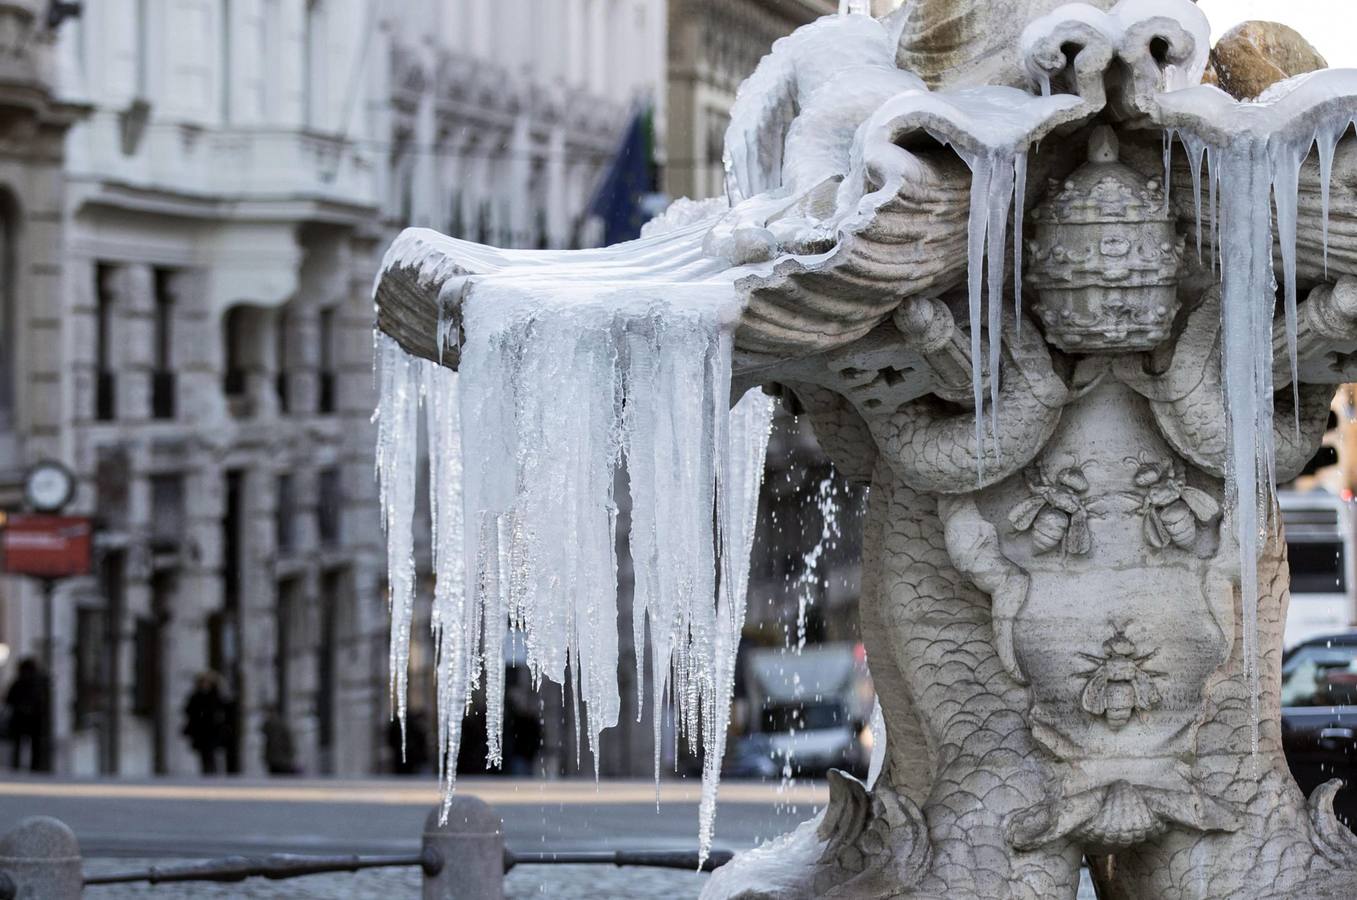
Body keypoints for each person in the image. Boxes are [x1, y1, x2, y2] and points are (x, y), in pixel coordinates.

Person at [5, 658, 50, 772]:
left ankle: (16, 765)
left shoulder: (18, 682)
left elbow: (9, 699)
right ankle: (35, 767)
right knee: (35, 745)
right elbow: (43, 702)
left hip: (20, 718)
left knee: (18, 744)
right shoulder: (38, 683)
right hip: (35, 719)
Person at [182, 672, 228, 774]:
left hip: (213, 729)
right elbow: (188, 710)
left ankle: (212, 769)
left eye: (207, 682)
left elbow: (223, 710)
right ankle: (206, 770)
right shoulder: (195, 696)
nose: (205, 684)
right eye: (203, 682)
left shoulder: (215, 696)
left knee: (211, 750)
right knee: (203, 752)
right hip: (200, 730)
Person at [261, 705, 299, 775]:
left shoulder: (277, 724)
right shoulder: (274, 724)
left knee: (278, 774)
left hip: (279, 757)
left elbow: (286, 741)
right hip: (276, 757)